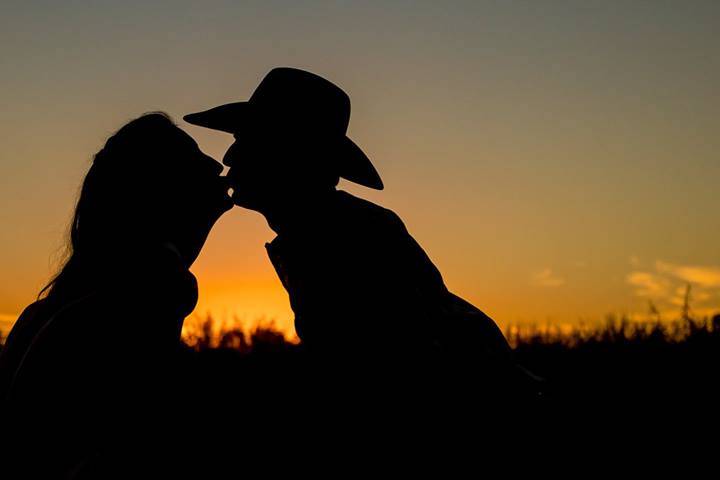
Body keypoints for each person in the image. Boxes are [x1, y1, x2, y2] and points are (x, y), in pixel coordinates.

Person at [184, 68, 526, 395]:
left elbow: (377, 376)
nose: (229, 157)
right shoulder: (332, 230)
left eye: (246, 141)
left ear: (288, 154)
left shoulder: (340, 241)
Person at [0, 112, 232, 478]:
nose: (215, 164)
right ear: (160, 190)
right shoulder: (142, 302)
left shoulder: (45, 313)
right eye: (193, 158)